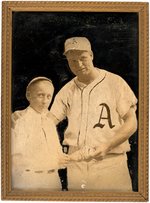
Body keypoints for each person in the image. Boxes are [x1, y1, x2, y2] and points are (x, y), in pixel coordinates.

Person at [49, 37, 138, 191]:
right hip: (76, 164)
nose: (79, 65)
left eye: (83, 58)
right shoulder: (66, 91)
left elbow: (132, 122)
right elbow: (48, 122)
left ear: (91, 55)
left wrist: (107, 145)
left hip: (111, 161)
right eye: (72, 61)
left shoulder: (115, 82)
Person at [11, 77, 68, 190]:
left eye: (49, 96)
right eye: (40, 95)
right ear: (28, 96)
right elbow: (15, 156)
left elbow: (56, 150)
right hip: (30, 179)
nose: (45, 101)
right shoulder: (20, 119)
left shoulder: (49, 122)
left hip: (52, 179)